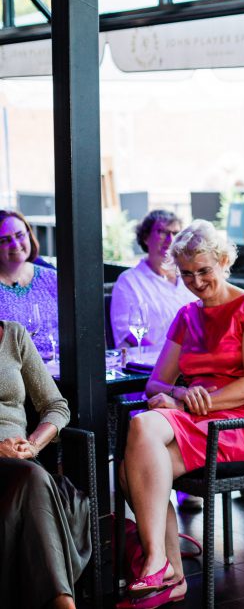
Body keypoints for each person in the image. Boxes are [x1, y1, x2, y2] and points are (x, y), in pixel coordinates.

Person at [117, 220, 244, 607]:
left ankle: (159, 562)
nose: (196, 281)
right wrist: (178, 393)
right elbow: (155, 385)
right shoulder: (186, 315)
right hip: (198, 420)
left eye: (204, 270)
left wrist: (184, 402)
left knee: (141, 428)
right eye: (187, 273)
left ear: (224, 262)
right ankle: (171, 574)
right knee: (133, 468)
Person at [0, 319, 87, 609]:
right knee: (35, 478)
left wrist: (34, 443)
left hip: (21, 463)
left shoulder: (13, 335)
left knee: (33, 476)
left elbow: (56, 406)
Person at [110, 210, 195, 348]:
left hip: (190, 361)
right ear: (145, 237)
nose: (170, 240)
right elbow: (127, 332)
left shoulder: (190, 279)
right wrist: (165, 358)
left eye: (175, 233)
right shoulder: (128, 281)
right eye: (162, 232)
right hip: (148, 364)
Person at [0, 209, 59, 359]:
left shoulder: (52, 278)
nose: (15, 244)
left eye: (20, 235)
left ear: (29, 235)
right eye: (4, 240)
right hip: (11, 374)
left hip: (60, 369)